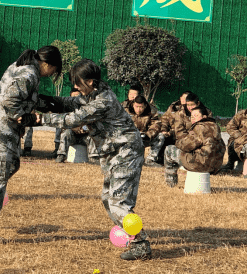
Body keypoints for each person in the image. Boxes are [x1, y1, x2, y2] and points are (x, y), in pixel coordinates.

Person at [37, 59, 151, 261]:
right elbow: (73, 103)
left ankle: (141, 244)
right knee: (108, 198)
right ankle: (130, 235)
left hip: (126, 151)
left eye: (78, 82)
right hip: (114, 151)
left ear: (90, 81)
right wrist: (49, 101)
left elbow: (73, 119)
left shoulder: (102, 101)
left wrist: (38, 119)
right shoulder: (95, 93)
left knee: (118, 203)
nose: (75, 87)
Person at [0, 46, 62, 244]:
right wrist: (26, 117)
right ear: (47, 64)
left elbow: (24, 97)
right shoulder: (29, 73)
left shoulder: (23, 67)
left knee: (11, 165)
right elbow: (10, 100)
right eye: (54, 70)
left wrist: (51, 104)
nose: (52, 74)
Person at [165, 105, 225, 187]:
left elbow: (186, 146)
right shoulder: (215, 126)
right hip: (215, 166)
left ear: (204, 116)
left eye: (196, 116)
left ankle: (171, 184)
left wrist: (177, 142)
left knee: (169, 150)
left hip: (199, 164)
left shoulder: (199, 127)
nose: (193, 118)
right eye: (191, 116)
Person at [55, 88, 99, 164]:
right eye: (73, 97)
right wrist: (74, 128)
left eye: (78, 97)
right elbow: (63, 122)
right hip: (72, 135)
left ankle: (93, 157)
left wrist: (85, 128)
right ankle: (61, 155)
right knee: (66, 133)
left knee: (94, 134)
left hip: (85, 136)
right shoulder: (66, 108)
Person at [127, 95, 162, 166]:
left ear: (145, 106)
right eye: (136, 106)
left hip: (145, 137)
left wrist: (148, 134)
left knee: (160, 136)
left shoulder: (152, 112)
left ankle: (150, 160)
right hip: (130, 137)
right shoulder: (126, 111)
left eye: (141, 107)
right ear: (133, 105)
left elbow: (156, 125)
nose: (138, 109)